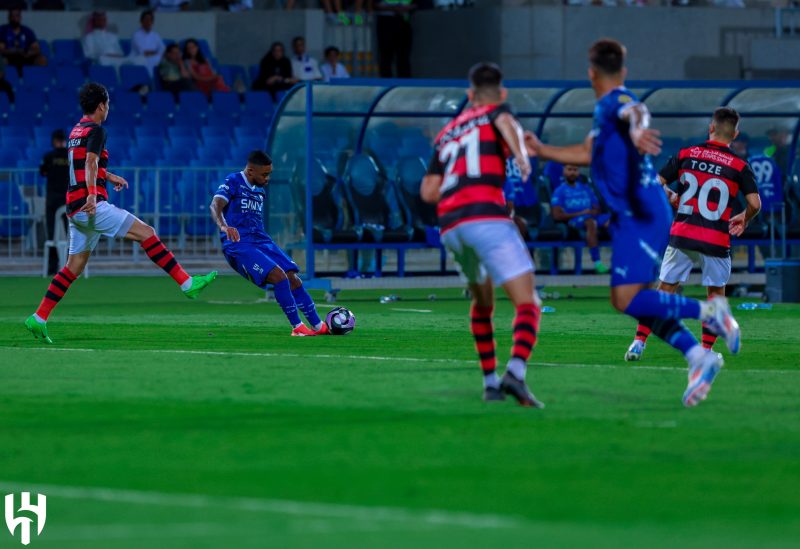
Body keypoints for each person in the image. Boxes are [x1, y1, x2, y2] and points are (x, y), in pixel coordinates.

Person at [524, 39, 741, 408]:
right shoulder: (605, 111)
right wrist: (542, 150)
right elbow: (590, 153)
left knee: (628, 298)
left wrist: (638, 129)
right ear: (622, 71)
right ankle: (699, 358)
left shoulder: (617, 103)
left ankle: (709, 313)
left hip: (641, 210)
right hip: (638, 211)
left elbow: (635, 112)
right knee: (634, 300)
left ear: (591, 73)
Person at [24, 83, 217, 344]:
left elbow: (82, 164)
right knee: (146, 233)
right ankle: (186, 283)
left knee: (73, 267)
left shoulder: (76, 131)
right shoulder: (97, 130)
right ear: (102, 105)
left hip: (75, 208)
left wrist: (109, 175)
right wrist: (93, 194)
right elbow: (90, 162)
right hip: (90, 205)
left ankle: (39, 317)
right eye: (108, 104)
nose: (108, 109)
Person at [421, 62, 543, 407]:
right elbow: (506, 123)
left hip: (451, 226)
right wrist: (521, 155)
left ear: (469, 95)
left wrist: (458, 184)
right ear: (501, 94)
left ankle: (490, 384)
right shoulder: (499, 113)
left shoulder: (447, 132)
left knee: (483, 302)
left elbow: (427, 191)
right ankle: (515, 374)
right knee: (529, 303)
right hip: (486, 217)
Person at [625, 108, 761, 362]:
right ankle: (706, 351)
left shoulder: (686, 154)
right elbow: (755, 203)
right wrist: (745, 217)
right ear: (735, 134)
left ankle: (637, 343)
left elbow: (656, 183)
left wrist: (674, 197)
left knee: (664, 290)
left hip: (684, 234)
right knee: (715, 297)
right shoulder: (740, 165)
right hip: (716, 239)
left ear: (711, 128)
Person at [209, 151, 329, 337]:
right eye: (264, 174)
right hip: (239, 244)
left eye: (269, 173)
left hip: (261, 240)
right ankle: (297, 327)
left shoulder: (260, 191)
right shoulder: (233, 181)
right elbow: (215, 205)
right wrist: (224, 227)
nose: (268, 178)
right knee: (278, 276)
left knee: (292, 277)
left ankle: (317, 324)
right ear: (250, 171)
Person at [550, 163, 610, 273]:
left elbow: (597, 208)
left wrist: (593, 211)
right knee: (590, 222)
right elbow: (556, 215)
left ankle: (623, 259)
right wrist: (581, 213)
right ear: (564, 172)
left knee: (616, 219)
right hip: (575, 220)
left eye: (575, 170)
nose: (572, 172)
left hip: (591, 216)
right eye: (569, 169)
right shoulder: (559, 191)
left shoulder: (586, 188)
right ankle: (597, 262)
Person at [40, 129, 69, 276]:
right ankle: (72, 267)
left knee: (51, 235)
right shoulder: (70, 156)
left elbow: (43, 172)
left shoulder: (48, 157)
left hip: (52, 199)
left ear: (54, 141)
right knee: (71, 234)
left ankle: (52, 268)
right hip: (68, 198)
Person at [82, 11, 149, 70]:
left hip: (117, 60)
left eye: (104, 19)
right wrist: (105, 55)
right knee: (103, 60)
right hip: (104, 60)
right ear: (94, 21)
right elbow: (89, 55)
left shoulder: (113, 36)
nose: (102, 21)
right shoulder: (89, 37)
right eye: (99, 19)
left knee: (141, 59)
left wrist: (117, 56)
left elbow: (120, 53)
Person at [0, 9, 46, 76]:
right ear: (9, 18)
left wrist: (28, 53)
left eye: (17, 16)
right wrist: (13, 51)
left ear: (20, 17)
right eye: (12, 16)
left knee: (42, 60)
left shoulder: (27, 31)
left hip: (25, 57)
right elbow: (1, 49)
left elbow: (36, 49)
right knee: (1, 61)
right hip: (9, 57)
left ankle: (39, 82)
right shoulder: (3, 30)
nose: (15, 18)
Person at [375, 0, 413, 78]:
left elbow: (418, 4)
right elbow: (375, 5)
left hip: (403, 21)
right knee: (385, 55)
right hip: (386, 21)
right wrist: (393, 8)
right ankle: (386, 81)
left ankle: (405, 82)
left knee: (403, 55)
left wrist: (405, 8)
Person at [130, 10, 165, 75]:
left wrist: (156, 53)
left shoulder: (155, 35)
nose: (148, 22)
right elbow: (143, 52)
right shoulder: (136, 35)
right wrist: (156, 52)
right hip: (139, 59)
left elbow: (162, 49)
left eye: (150, 20)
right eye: (146, 20)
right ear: (141, 21)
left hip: (155, 58)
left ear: (152, 22)